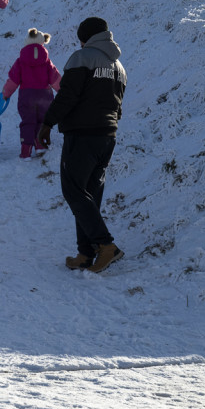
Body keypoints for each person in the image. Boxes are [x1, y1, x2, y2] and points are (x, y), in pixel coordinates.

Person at [37, 17, 127, 274]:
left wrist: (48, 123)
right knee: (89, 194)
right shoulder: (119, 67)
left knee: (74, 190)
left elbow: (68, 95)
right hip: (107, 137)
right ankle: (86, 253)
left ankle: (106, 245)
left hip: (82, 135)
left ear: (85, 38)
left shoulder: (82, 57)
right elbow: (117, 106)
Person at [1, 28, 62, 159]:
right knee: (42, 120)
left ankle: (26, 151)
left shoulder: (20, 61)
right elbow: (55, 79)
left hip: (27, 96)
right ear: (42, 43)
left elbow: (13, 80)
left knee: (28, 122)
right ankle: (40, 145)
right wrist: (62, 92)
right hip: (44, 96)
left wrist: (5, 94)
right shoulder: (47, 62)